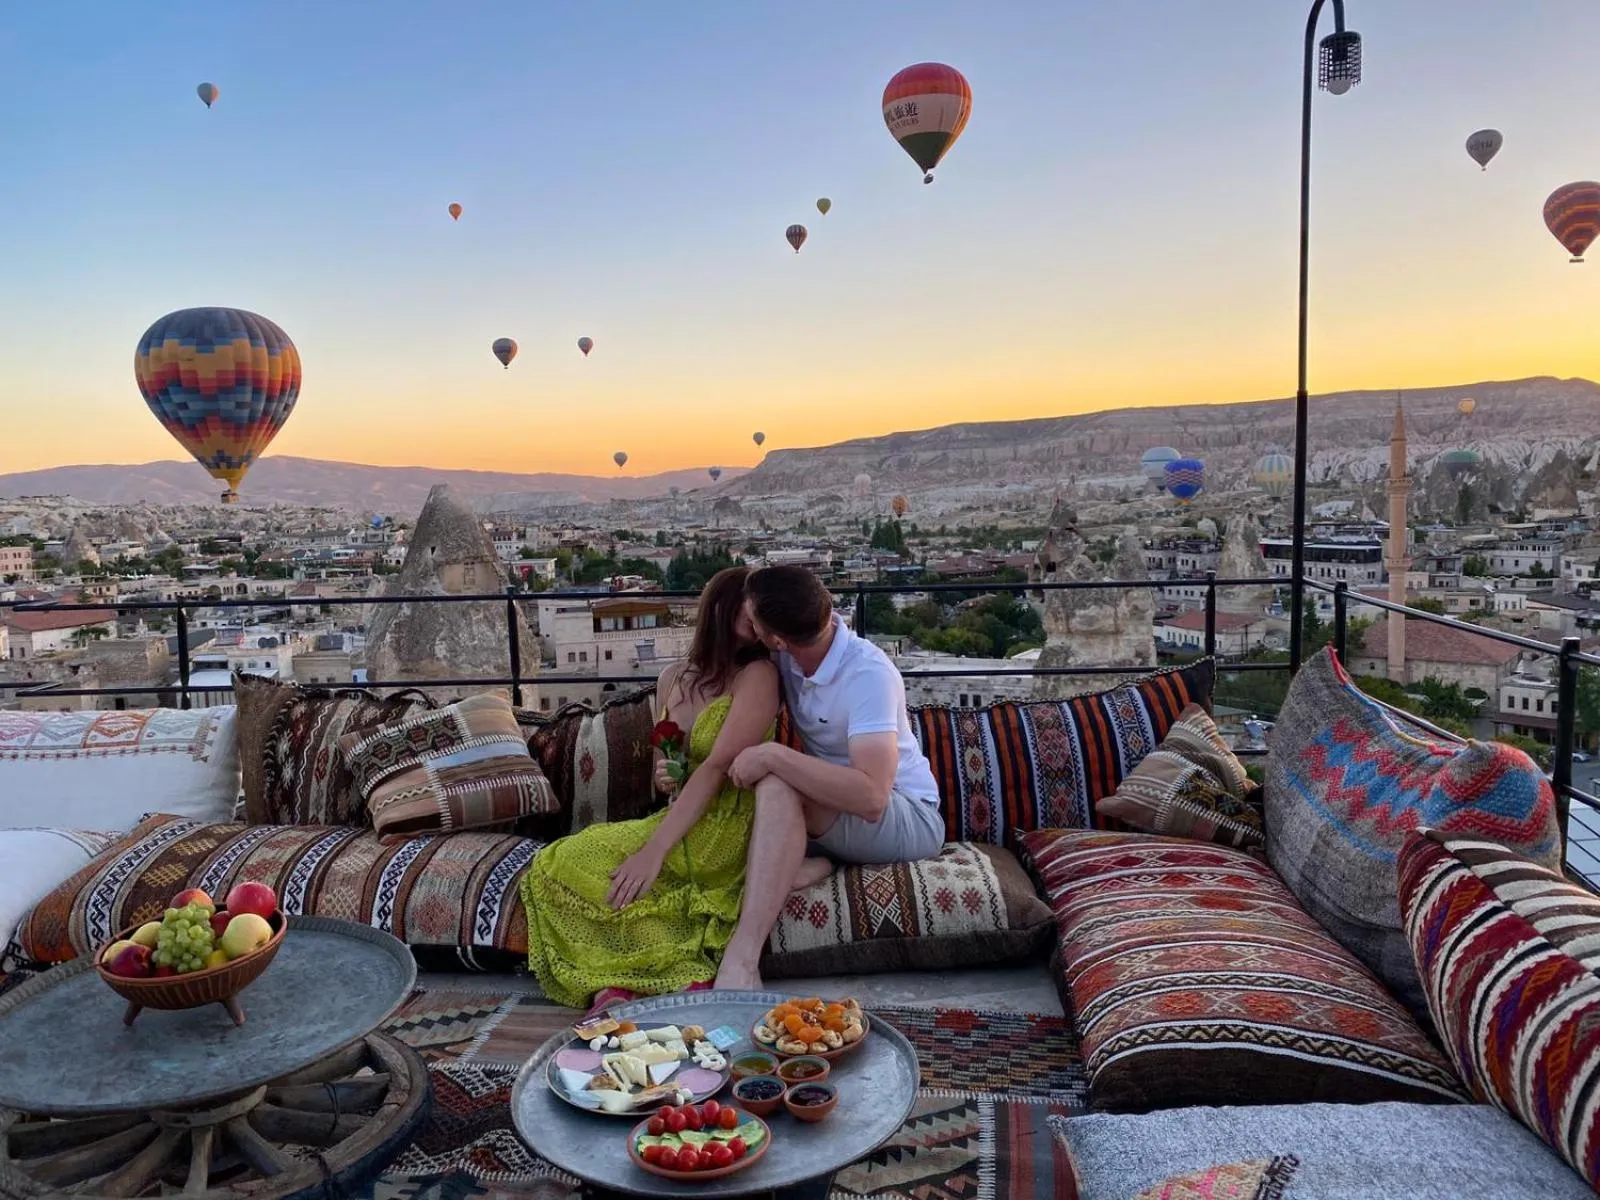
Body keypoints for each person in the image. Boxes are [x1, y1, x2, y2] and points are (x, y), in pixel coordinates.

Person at [520, 566, 779, 1010]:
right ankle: (627, 979)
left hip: (727, 825)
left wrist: (652, 853)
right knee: (557, 864)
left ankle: (656, 978)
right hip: (678, 817)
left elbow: (717, 768)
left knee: (603, 869)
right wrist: (664, 773)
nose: (759, 619)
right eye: (749, 606)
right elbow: (667, 761)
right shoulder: (672, 679)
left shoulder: (758, 676)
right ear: (722, 606)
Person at [715, 565, 943, 990]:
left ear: (778, 638)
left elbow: (872, 797)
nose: (747, 626)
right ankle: (820, 862)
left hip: (907, 817)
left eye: (753, 620)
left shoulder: (868, 675)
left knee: (778, 781)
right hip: (839, 813)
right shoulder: (787, 657)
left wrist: (774, 755)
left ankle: (742, 961)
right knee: (741, 810)